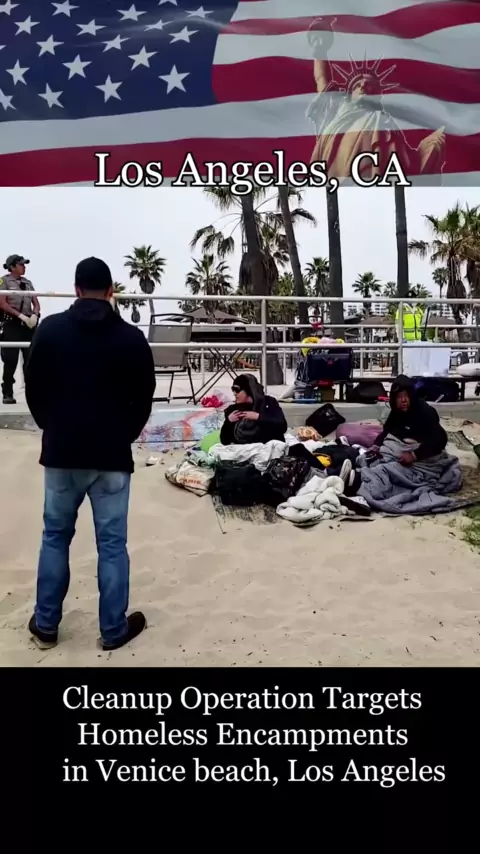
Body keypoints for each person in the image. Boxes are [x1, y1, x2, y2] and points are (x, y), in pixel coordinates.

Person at [24, 257, 156, 651]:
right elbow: (144, 396)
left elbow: (33, 386)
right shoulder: (131, 338)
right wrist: (124, 434)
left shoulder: (50, 330)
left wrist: (51, 426)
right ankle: (113, 630)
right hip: (111, 453)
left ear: (77, 289)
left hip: (62, 450)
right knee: (112, 544)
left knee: (55, 537)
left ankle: (46, 624)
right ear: (111, 291)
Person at [371, 375, 448, 466]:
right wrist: (376, 446)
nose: (403, 400)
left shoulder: (425, 412)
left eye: (406, 396)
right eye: (399, 397)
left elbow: (440, 439)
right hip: (398, 451)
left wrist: (414, 455)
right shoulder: (396, 412)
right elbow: (387, 431)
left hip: (421, 454)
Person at [0, 254, 40, 404]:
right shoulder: (4, 281)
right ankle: (7, 392)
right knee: (10, 360)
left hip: (28, 324)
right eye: (21, 264)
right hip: (12, 323)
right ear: (12, 267)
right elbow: (2, 303)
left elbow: (36, 302)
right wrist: (20, 315)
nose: (24, 267)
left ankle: (32, 392)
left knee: (30, 359)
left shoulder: (27, 283)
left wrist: (35, 315)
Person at [220, 373, 287, 445]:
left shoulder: (268, 403)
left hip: (268, 447)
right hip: (244, 450)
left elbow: (282, 426)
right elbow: (224, 441)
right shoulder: (234, 410)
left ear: (248, 390)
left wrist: (258, 417)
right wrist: (228, 422)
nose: (234, 393)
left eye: (237, 390)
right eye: (233, 389)